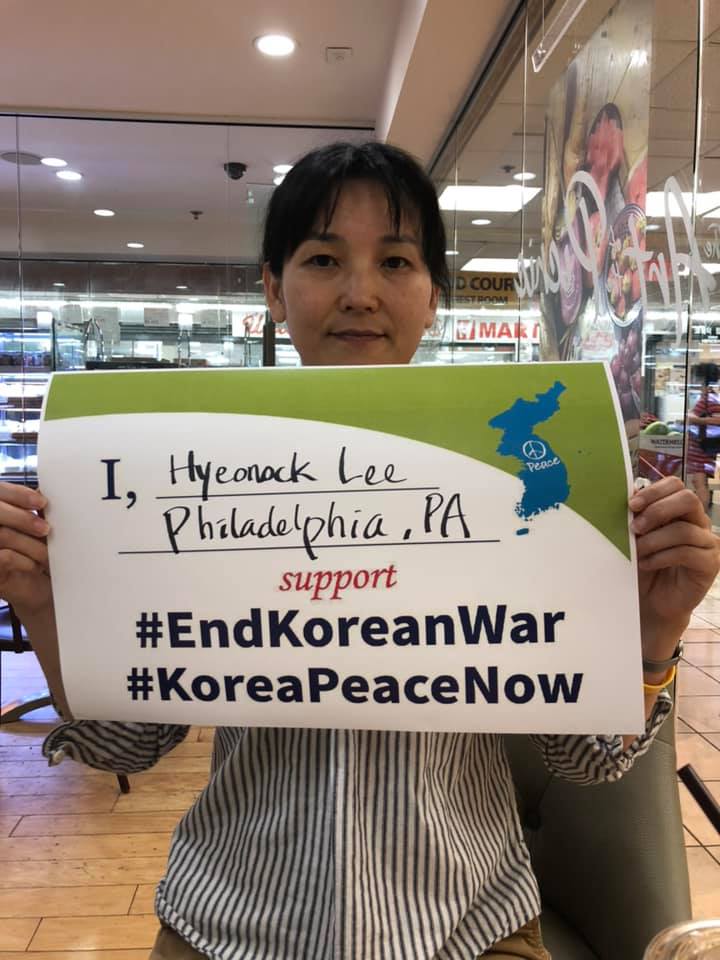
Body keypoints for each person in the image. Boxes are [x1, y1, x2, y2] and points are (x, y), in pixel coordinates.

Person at [1, 141, 718, 960]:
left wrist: (655, 630)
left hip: (467, 924)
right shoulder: (198, 473)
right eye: (323, 258)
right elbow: (121, 746)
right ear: (275, 290)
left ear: (433, 295)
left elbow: (589, 761)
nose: (360, 293)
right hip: (232, 922)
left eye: (396, 261)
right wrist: (43, 602)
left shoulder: (524, 478)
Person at [686, 361, 720, 516]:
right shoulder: (709, 396)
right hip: (701, 446)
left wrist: (693, 419)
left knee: (699, 483)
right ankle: (702, 516)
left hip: (702, 448)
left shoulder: (709, 398)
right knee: (700, 482)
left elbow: (717, 420)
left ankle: (702, 516)